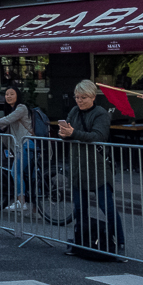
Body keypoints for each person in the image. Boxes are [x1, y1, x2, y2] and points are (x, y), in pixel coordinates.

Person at [57, 80, 125, 257]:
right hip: (78, 167)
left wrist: (73, 134)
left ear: (93, 97)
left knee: (106, 207)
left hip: (98, 168)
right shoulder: (73, 111)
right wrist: (64, 134)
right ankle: (82, 242)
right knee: (80, 208)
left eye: (83, 97)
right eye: (77, 97)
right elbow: (70, 134)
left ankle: (120, 242)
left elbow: (98, 136)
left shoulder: (100, 113)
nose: (79, 101)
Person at [0, 87, 35, 213]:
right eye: (6, 94)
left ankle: (21, 202)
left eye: (11, 94)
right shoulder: (13, 111)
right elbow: (4, 124)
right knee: (29, 176)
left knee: (15, 172)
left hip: (26, 144)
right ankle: (35, 210)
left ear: (18, 96)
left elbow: (7, 120)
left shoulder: (21, 108)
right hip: (24, 145)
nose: (8, 96)